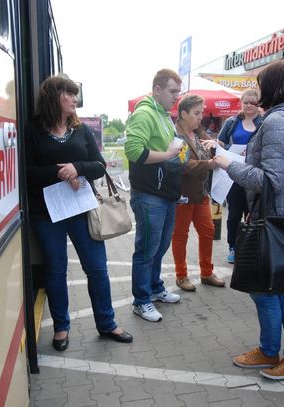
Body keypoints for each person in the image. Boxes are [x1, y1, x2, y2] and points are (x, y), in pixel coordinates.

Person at [213, 61, 284, 380]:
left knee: (281, 289)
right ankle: (270, 349)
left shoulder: (279, 122)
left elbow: (272, 180)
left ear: (271, 88)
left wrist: (229, 164)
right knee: (268, 287)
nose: (256, 92)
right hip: (279, 212)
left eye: (261, 84)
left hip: (282, 215)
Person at [27, 75, 132, 351]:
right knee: (56, 271)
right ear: (54, 97)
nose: (75, 100)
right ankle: (61, 327)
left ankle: (107, 323)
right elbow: (26, 172)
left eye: (76, 95)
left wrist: (78, 168)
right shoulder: (33, 130)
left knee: (97, 269)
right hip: (47, 213)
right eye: (70, 94)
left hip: (82, 210)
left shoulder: (81, 130)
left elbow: (99, 166)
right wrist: (61, 172)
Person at [124, 69, 183, 322]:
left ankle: (155, 288)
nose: (176, 98)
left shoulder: (164, 114)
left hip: (165, 192)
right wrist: (170, 154)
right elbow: (133, 151)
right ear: (157, 90)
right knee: (147, 249)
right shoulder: (145, 113)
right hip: (149, 194)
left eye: (178, 92)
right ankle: (141, 300)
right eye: (172, 92)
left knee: (159, 247)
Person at [171, 94, 225, 292]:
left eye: (201, 112)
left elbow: (215, 148)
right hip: (182, 194)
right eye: (196, 113)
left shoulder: (199, 131)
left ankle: (206, 272)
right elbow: (183, 165)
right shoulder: (175, 135)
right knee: (180, 236)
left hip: (201, 193)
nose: (201, 116)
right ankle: (181, 275)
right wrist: (209, 164)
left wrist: (218, 146)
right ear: (183, 113)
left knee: (208, 230)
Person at [217, 89, 262, 263]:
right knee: (235, 213)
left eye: (254, 102)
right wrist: (223, 146)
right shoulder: (232, 122)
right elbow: (221, 141)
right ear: (241, 103)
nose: (250, 106)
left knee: (253, 213)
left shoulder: (263, 123)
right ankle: (233, 247)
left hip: (254, 174)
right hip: (234, 174)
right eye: (246, 102)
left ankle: (250, 248)